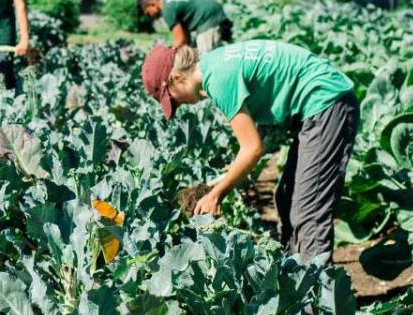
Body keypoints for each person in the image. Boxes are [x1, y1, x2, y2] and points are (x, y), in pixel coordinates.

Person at [142, 40, 359, 264]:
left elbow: (253, 149)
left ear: (177, 77)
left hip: (328, 102)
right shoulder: (214, 64)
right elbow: (258, 134)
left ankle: (316, 288)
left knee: (308, 210)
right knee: (285, 198)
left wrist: (216, 194)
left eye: (172, 98)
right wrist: (230, 174)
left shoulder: (218, 80)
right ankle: (293, 275)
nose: (178, 105)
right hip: (319, 104)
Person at [138, 0, 232, 53]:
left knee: (206, 59)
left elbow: (180, 40)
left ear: (153, 4)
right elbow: (185, 38)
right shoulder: (170, 2)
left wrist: (167, 53)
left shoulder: (167, 11)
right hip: (214, 12)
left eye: (148, 13)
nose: (150, 17)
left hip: (208, 19)